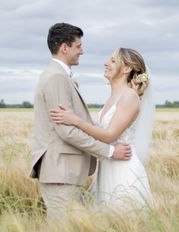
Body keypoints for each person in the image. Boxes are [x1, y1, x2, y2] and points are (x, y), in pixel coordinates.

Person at [29, 23, 133, 220]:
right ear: (64, 48)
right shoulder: (57, 78)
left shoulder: (59, 77)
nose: (82, 51)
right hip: (60, 170)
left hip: (65, 171)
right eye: (78, 46)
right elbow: (66, 132)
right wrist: (110, 151)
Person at [50, 47, 155, 213]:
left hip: (123, 168)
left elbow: (109, 135)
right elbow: (99, 128)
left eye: (113, 60)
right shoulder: (113, 97)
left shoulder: (130, 96)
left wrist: (75, 120)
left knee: (124, 217)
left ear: (127, 69)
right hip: (107, 165)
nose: (106, 63)